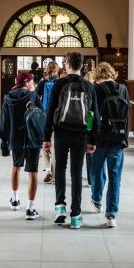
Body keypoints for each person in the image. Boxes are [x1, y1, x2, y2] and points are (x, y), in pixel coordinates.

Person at [43, 52, 100, 229]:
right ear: (82, 66)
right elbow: (93, 115)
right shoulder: (89, 86)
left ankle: (60, 208)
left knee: (60, 168)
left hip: (61, 132)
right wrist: (92, 139)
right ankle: (76, 215)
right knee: (77, 173)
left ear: (67, 65)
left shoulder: (60, 83)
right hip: (81, 134)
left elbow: (51, 111)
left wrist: (46, 137)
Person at [90, 62, 130, 228]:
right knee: (115, 176)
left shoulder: (96, 90)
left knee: (97, 170)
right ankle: (111, 215)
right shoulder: (123, 89)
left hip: (100, 139)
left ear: (97, 75)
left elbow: (91, 115)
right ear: (112, 73)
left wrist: (89, 138)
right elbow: (127, 115)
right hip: (118, 139)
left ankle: (97, 199)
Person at [0, 72, 42, 220]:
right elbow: (41, 117)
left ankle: (15, 200)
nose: (33, 84)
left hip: (15, 139)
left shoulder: (8, 99)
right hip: (32, 139)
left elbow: (3, 123)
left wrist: (4, 141)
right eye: (32, 81)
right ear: (27, 83)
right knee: (33, 171)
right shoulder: (33, 96)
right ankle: (30, 209)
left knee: (16, 167)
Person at [36, 61, 60, 184]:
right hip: (58, 118)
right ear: (58, 70)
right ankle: (55, 176)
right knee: (55, 147)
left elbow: (35, 97)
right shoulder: (62, 83)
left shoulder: (42, 83)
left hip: (45, 118)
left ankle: (48, 172)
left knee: (45, 145)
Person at [83, 70, 96, 187]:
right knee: (91, 153)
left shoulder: (82, 89)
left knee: (87, 154)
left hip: (81, 124)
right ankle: (92, 179)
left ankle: (88, 178)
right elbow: (93, 112)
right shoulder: (95, 89)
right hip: (90, 123)